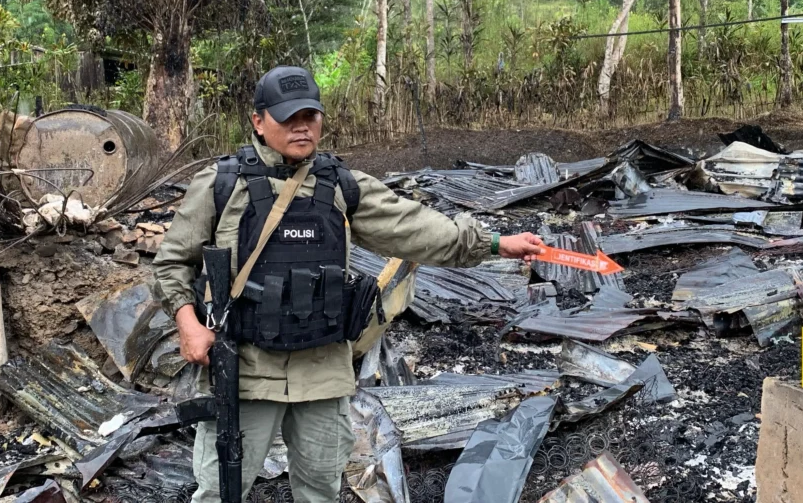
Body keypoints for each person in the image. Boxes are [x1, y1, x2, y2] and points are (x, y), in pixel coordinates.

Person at [152, 65, 543, 503]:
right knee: (221, 492)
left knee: (321, 489)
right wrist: (188, 322)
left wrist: (493, 243)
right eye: (287, 117)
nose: (301, 126)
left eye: (310, 115)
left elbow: (414, 227)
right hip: (245, 370)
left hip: (323, 371)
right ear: (258, 121)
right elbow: (171, 264)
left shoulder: (341, 185)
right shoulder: (222, 184)